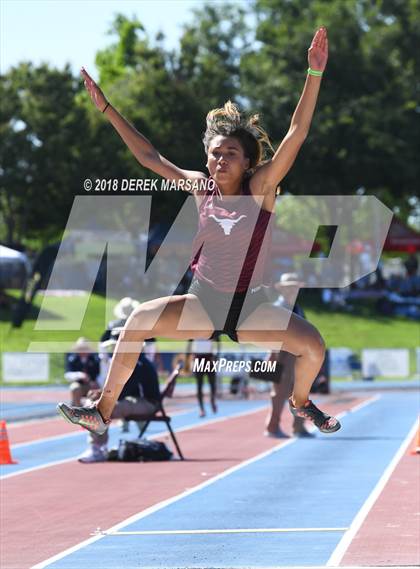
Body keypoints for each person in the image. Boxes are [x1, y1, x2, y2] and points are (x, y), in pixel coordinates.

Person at [57, 27, 340, 436]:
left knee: (313, 345)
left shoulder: (260, 189)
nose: (221, 159)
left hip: (250, 307)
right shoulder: (199, 186)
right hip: (204, 302)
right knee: (135, 320)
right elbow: (149, 156)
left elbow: (297, 135)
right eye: (215, 153)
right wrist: (107, 109)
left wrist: (313, 76)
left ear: (248, 162)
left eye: (231, 154)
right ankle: (102, 411)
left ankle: (300, 403)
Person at [62, 337, 160, 463]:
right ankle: (95, 439)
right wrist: (101, 395)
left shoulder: (137, 363)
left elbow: (124, 391)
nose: (114, 350)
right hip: (135, 399)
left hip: (148, 403)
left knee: (105, 408)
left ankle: (97, 447)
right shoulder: (131, 361)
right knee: (102, 407)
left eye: (116, 346)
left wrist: (102, 396)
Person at [265, 273, 313, 438]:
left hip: (295, 355)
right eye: (289, 288)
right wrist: (273, 355)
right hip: (281, 354)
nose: (293, 290)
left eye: (295, 287)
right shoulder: (279, 307)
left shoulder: (297, 308)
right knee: (279, 393)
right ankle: (272, 427)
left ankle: (298, 427)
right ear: (283, 290)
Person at [188, 337, 220, 417]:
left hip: (209, 358)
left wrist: (216, 356)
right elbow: (189, 343)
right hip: (198, 359)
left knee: (212, 384)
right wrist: (189, 357)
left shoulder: (211, 327)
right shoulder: (193, 329)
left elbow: (218, 341)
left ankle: (212, 401)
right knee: (199, 386)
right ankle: (201, 409)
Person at [64, 337, 100, 406]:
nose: (83, 351)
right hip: (79, 384)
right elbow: (67, 374)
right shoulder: (72, 358)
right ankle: (77, 409)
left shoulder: (94, 358)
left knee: (99, 390)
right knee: (74, 387)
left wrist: (95, 382)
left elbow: (100, 372)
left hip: (93, 385)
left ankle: (94, 409)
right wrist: (80, 375)